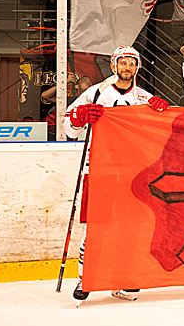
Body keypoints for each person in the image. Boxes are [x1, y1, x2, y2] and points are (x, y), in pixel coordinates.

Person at [63, 45, 170, 303]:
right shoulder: (96, 93)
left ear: (137, 68)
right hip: (98, 170)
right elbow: (69, 127)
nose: (127, 67)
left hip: (131, 173)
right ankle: (86, 278)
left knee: (130, 227)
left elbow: (160, 135)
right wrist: (79, 117)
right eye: (123, 62)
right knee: (94, 227)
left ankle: (123, 277)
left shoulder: (144, 98)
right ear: (114, 66)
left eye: (132, 63)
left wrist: (163, 113)